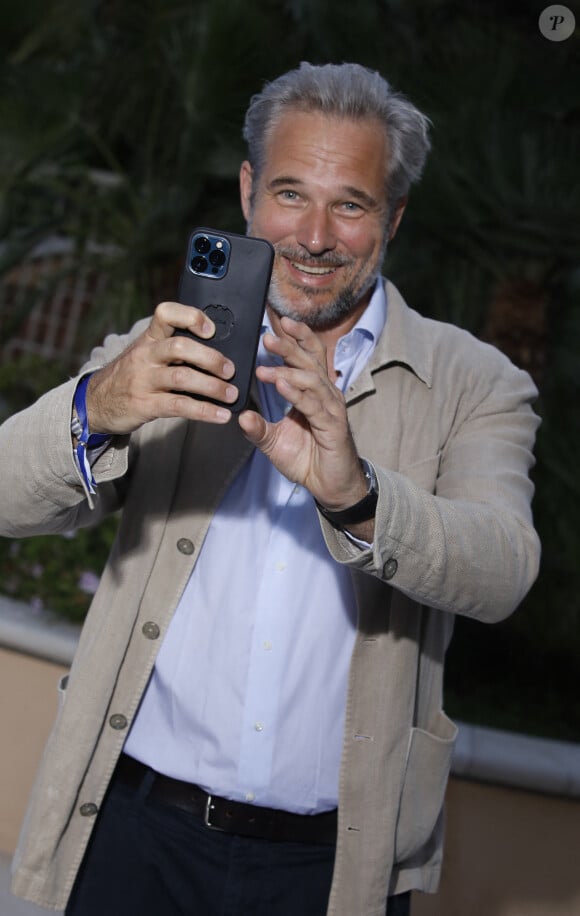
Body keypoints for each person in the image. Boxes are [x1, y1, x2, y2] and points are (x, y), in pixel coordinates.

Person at [1, 62, 540, 916]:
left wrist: (357, 496)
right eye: (291, 192)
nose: (315, 235)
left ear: (393, 217)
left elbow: (503, 569)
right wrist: (99, 406)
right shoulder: (164, 344)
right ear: (250, 191)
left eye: (352, 204)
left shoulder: (475, 383)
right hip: (132, 836)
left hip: (330, 870)